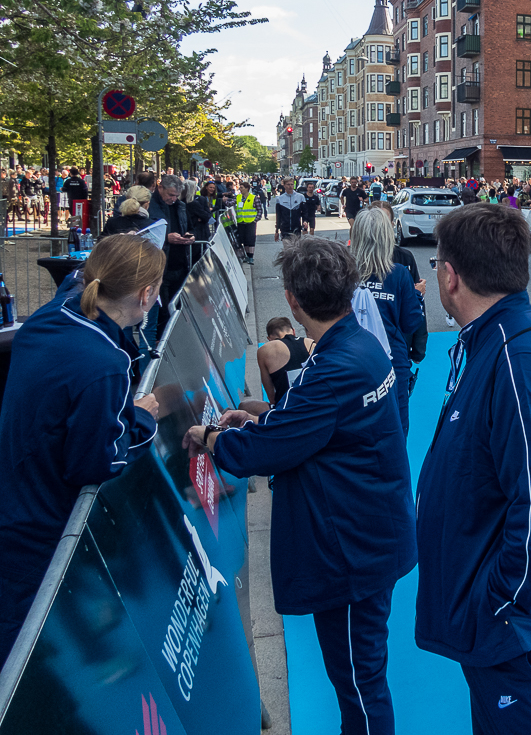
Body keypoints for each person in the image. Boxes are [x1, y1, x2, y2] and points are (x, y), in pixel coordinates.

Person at [184, 237, 416, 735]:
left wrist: (210, 436)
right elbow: (310, 425)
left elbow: (264, 453)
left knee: (358, 681)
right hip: (369, 533)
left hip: (355, 552)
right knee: (358, 677)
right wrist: (255, 418)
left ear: (291, 299)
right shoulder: (357, 344)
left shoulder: (333, 368)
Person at [416, 203, 531, 733]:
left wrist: (500, 604)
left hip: (521, 633)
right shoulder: (491, 342)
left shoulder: (520, 356)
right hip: (501, 626)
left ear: (450, 275)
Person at [0, 235, 163, 664]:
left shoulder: (54, 315)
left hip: (16, 490)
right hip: (40, 522)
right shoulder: (104, 365)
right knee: (21, 644)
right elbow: (95, 463)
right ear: (146, 295)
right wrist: (143, 418)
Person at [349, 209, 424, 436]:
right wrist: (416, 295)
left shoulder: (342, 272)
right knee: (396, 429)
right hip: (390, 359)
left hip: (349, 360)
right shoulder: (399, 274)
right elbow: (411, 323)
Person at [147, 174, 195, 343]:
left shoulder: (180, 206)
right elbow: (145, 232)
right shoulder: (150, 205)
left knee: (177, 307)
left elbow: (189, 226)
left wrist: (190, 237)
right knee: (163, 310)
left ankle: (174, 341)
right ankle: (162, 344)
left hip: (179, 263)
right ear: (160, 188)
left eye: (176, 195)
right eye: (170, 194)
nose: (173, 199)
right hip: (161, 266)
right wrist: (166, 238)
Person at [239, 316, 315, 416]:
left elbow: (270, 394)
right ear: (293, 331)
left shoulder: (265, 350)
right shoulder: (311, 343)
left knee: (244, 407)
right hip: (315, 404)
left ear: (269, 339)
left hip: (287, 411)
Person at [235, 180, 259, 264]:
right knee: (244, 239)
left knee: (251, 239)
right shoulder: (238, 197)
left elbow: (259, 210)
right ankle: (246, 256)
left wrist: (256, 219)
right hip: (241, 222)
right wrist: (224, 201)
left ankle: (251, 256)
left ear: (247, 188)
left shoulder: (253, 198)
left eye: (241, 188)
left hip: (250, 222)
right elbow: (231, 203)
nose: (240, 189)